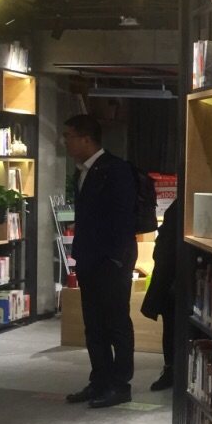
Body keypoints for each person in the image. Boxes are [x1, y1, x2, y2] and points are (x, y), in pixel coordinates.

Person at [62, 114, 138, 408]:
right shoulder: (82, 171)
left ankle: (120, 385)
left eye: (69, 136)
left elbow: (125, 216)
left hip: (111, 261)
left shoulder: (116, 169)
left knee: (116, 323)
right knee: (93, 324)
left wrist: (116, 258)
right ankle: (99, 381)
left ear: (86, 139)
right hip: (88, 259)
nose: (66, 142)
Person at [140, 197, 178, 391]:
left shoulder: (178, 208)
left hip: (172, 276)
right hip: (174, 277)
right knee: (172, 325)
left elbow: (164, 243)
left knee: (171, 326)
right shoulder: (181, 207)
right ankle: (174, 369)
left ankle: (172, 370)